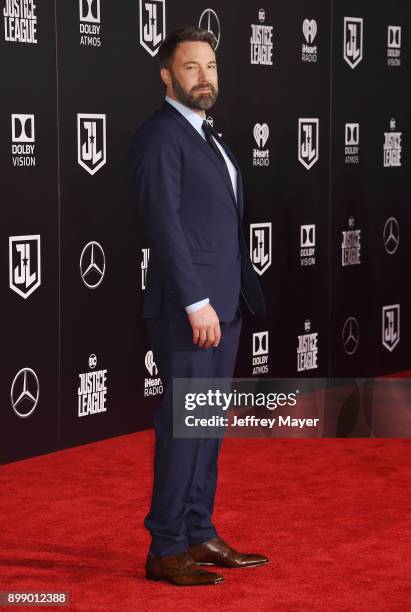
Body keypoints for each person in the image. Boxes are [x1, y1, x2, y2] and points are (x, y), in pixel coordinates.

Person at [128, 26, 268, 587]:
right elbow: (164, 227)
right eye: (191, 67)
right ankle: (165, 546)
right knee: (185, 425)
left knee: (207, 425)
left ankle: (197, 532)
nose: (205, 76)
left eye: (210, 66)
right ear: (167, 75)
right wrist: (196, 301)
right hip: (192, 310)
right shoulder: (161, 136)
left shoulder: (209, 135)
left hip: (223, 306)